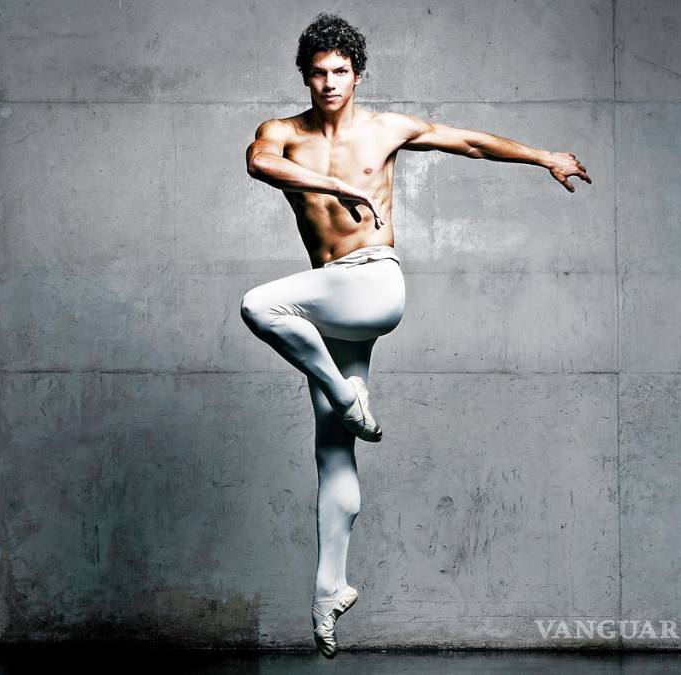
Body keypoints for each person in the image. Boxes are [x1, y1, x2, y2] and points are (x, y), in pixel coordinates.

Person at [239, 12, 591, 659]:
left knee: (259, 305)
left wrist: (544, 156)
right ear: (305, 77)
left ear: (358, 75)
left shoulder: (386, 129)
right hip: (330, 298)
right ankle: (330, 590)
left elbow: (470, 143)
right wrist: (335, 184)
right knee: (333, 451)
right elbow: (260, 164)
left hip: (374, 282)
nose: (329, 83)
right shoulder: (281, 133)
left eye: (340, 71)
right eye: (317, 73)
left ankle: (345, 394)